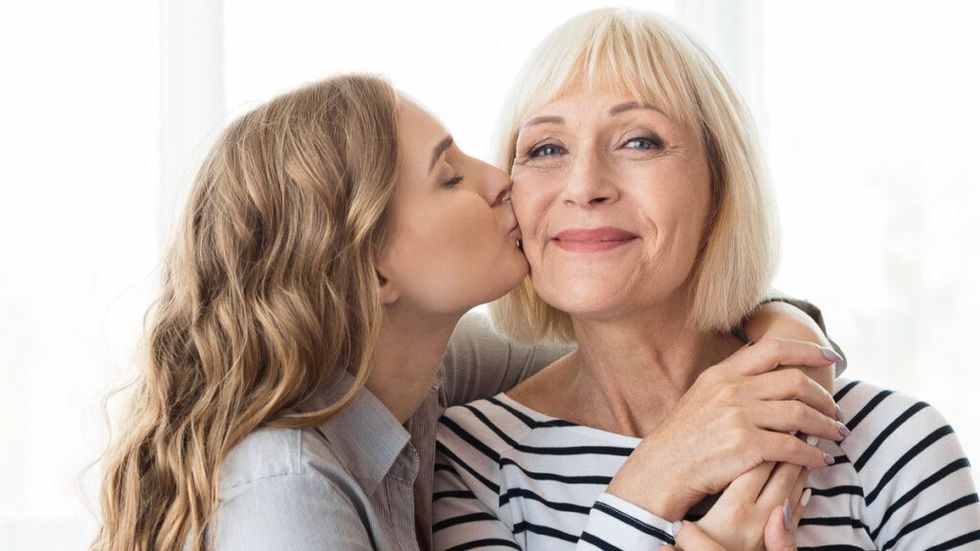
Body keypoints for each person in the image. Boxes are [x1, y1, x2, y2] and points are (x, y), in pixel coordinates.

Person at [92, 74, 840, 551]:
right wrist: (647, 489)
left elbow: (640, 353)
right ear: (375, 265)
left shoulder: (422, 373)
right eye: (450, 176)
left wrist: (785, 332)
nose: (503, 181)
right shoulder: (285, 489)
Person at [432, 8, 980, 551]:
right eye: (546, 148)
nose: (584, 185)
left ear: (721, 186)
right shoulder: (472, 459)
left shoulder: (893, 445)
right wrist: (655, 477)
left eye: (639, 141)